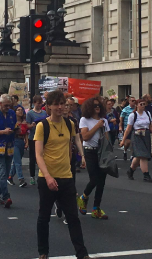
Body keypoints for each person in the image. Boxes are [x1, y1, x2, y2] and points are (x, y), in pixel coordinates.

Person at [34, 91, 91, 259]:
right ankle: (43, 252)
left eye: (63, 104)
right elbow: (38, 154)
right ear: (49, 106)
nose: (60, 107)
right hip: (47, 178)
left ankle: (82, 254)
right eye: (57, 104)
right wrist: (48, 177)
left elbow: (76, 139)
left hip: (66, 177)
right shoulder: (42, 126)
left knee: (73, 217)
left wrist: (82, 155)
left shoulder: (69, 124)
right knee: (44, 217)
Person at [77, 97, 110, 219]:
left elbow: (107, 137)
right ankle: (84, 197)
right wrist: (97, 126)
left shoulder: (104, 121)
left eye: (99, 105)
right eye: (95, 105)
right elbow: (85, 137)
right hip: (90, 152)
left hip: (101, 152)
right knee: (94, 179)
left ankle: (96, 208)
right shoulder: (84, 120)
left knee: (101, 181)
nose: (97, 107)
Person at [122, 98, 152, 182]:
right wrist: (123, 140)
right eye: (141, 104)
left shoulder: (147, 113)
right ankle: (146, 174)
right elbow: (128, 129)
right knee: (143, 155)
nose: (142, 106)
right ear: (137, 105)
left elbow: (151, 126)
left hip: (146, 135)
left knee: (138, 156)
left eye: (144, 104)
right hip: (137, 136)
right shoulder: (133, 115)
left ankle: (130, 171)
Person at [27, 95, 49, 185]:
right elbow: (27, 125)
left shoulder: (44, 113)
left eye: (41, 103)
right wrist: (32, 125)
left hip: (43, 137)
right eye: (38, 103)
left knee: (43, 157)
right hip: (33, 137)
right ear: (33, 103)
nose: (39, 105)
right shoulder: (30, 113)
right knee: (33, 158)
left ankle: (43, 174)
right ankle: (32, 176)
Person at [8, 106, 29, 188]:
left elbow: (26, 133)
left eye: (21, 110)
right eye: (18, 110)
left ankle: (10, 176)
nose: (20, 112)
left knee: (17, 161)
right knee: (18, 162)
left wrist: (26, 142)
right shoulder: (13, 121)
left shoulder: (24, 121)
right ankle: (21, 179)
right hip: (14, 141)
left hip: (21, 141)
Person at [119, 97, 136, 161]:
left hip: (134, 127)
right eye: (132, 101)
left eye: (134, 101)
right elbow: (121, 118)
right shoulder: (125, 109)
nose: (134, 102)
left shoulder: (136, 109)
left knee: (133, 142)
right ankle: (125, 151)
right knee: (128, 142)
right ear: (129, 102)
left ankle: (132, 155)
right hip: (127, 127)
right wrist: (120, 126)